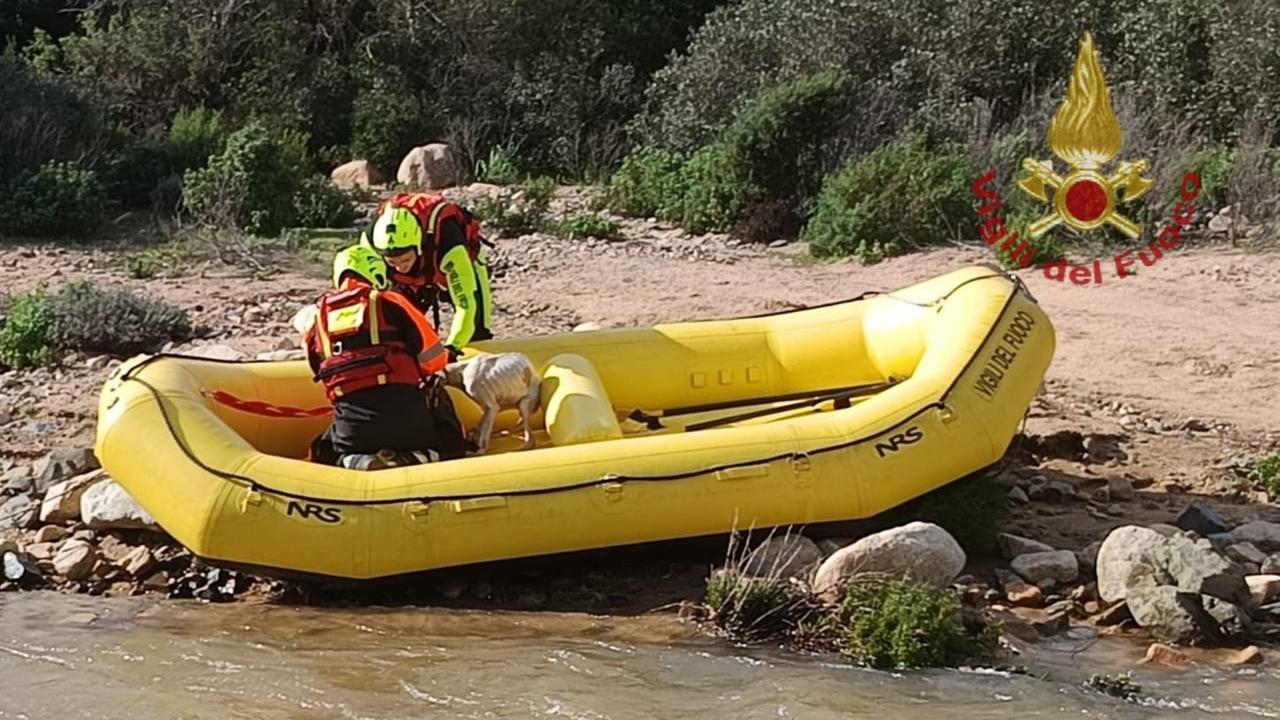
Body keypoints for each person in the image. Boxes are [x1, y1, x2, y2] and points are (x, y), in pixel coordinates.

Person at [303, 245, 468, 469]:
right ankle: (423, 455)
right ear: (376, 272)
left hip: (352, 432)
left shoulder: (317, 320)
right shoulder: (391, 301)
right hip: (409, 424)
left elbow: (318, 371)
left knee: (324, 449)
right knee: (451, 437)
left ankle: (353, 460)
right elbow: (434, 360)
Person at [362, 192, 495, 361]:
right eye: (392, 262)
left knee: (477, 330)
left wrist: (452, 349)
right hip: (411, 279)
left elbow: (466, 305)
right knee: (395, 326)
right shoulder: (370, 242)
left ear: (418, 247)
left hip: (459, 265)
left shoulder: (449, 243)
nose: (400, 267)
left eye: (405, 260)